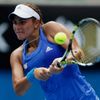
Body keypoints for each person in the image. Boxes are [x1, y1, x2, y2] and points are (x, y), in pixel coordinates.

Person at [8, 3, 99, 100]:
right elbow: (18, 90)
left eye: (22, 22)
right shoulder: (16, 55)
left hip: (84, 97)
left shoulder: (50, 29)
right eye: (15, 22)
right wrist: (33, 74)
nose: (17, 27)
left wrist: (63, 61)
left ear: (36, 23)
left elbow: (77, 52)